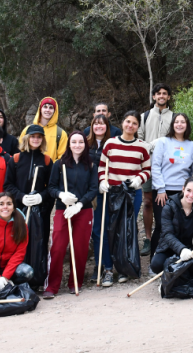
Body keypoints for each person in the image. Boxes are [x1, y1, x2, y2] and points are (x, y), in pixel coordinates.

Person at [98, 111, 151, 281]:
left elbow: (147, 170)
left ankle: (123, 268)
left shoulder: (142, 146)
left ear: (138, 127)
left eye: (134, 123)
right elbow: (102, 167)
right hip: (112, 192)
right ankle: (108, 269)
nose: (130, 125)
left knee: (127, 230)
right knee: (109, 229)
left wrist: (139, 179)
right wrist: (102, 181)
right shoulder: (110, 144)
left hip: (131, 193)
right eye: (128, 121)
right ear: (122, 123)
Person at [43, 131, 98, 298]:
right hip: (64, 209)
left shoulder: (91, 165)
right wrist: (61, 195)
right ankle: (52, 286)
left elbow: (93, 189)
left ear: (85, 144)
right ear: (69, 144)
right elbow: (51, 187)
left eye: (81, 142)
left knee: (80, 248)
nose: (77, 145)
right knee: (58, 247)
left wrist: (80, 204)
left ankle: (75, 282)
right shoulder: (59, 164)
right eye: (74, 142)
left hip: (84, 210)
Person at [149, 113, 193, 258]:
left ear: (187, 125)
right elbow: (155, 166)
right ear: (172, 124)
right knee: (161, 225)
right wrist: (160, 189)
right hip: (163, 191)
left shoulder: (192, 145)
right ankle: (155, 259)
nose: (179, 124)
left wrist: (190, 191)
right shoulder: (163, 142)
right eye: (177, 122)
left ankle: (175, 259)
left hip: (182, 192)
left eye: (183, 122)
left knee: (179, 226)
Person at [3, 124, 53, 253]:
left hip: (39, 212)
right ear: (27, 138)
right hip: (19, 210)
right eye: (33, 136)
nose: (36, 139)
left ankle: (38, 266)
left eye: (39, 137)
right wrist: (21, 197)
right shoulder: (15, 159)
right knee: (18, 243)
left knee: (38, 246)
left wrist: (40, 197)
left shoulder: (47, 161)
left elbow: (51, 188)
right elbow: (8, 185)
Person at [138, 83, 174, 256]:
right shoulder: (144, 116)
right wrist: (151, 146)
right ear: (153, 96)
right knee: (148, 202)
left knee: (166, 202)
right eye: (158, 93)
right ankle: (147, 238)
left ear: (168, 97)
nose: (161, 96)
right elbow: (139, 140)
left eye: (164, 93)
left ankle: (165, 236)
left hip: (168, 167)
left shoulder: (174, 117)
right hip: (148, 165)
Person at [150, 177, 193, 279]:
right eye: (188, 190)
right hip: (169, 248)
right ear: (183, 189)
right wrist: (181, 249)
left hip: (189, 249)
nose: (191, 195)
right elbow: (167, 234)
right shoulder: (169, 207)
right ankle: (174, 275)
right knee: (156, 265)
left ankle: (180, 277)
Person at [86, 114, 115, 285]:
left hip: (109, 192)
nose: (99, 126)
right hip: (92, 193)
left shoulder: (112, 144)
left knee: (108, 230)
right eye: (96, 124)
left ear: (107, 127)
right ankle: (99, 265)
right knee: (97, 231)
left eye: (102, 124)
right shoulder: (85, 144)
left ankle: (110, 267)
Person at [19, 97, 68, 161]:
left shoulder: (61, 133)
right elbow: (21, 150)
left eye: (51, 108)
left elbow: (62, 158)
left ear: (54, 111)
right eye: (45, 107)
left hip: (51, 167)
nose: (48, 110)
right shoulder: (27, 130)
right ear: (40, 109)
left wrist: (50, 165)